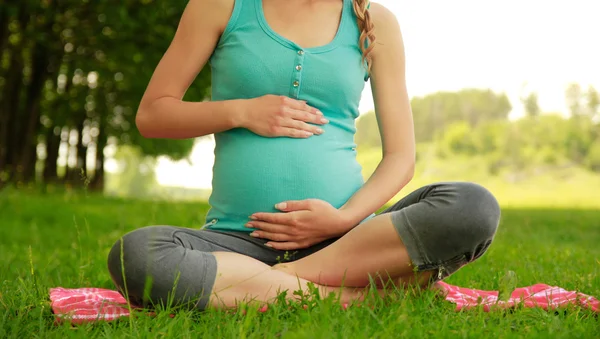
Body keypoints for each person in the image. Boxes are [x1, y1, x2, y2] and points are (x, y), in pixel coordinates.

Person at [108, 0, 501, 311]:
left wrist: (342, 219)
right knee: (137, 256)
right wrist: (242, 111)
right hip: (235, 243)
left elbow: (400, 157)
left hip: (349, 241)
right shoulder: (221, 5)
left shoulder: (376, 22)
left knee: (472, 206)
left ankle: (271, 282)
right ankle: (357, 297)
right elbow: (153, 114)